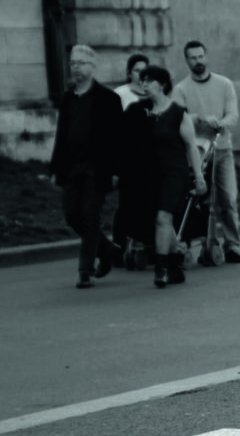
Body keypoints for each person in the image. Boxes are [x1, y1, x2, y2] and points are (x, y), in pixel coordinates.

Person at [48, 44, 123, 289]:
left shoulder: (108, 99)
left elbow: (117, 139)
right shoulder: (68, 99)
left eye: (81, 63)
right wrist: (54, 169)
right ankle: (107, 248)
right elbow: (61, 135)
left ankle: (85, 270)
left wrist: (116, 170)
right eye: (72, 63)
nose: (75, 67)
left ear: (93, 66)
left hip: (97, 167)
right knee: (72, 215)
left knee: (90, 216)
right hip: (72, 166)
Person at [171, 40, 240, 263]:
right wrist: (200, 119)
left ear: (206, 57)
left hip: (222, 150)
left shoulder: (224, 84)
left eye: (200, 56)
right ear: (187, 61)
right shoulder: (181, 89)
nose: (198, 61)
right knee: (196, 201)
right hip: (196, 154)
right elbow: (177, 118)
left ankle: (232, 245)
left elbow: (232, 116)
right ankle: (198, 241)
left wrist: (220, 124)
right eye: (193, 58)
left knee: (228, 199)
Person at [139, 66, 207, 287]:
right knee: (164, 221)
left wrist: (198, 176)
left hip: (175, 174)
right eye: (142, 81)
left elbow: (191, 147)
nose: (144, 84)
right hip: (152, 175)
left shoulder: (178, 113)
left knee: (163, 217)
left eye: (149, 80)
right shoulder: (142, 112)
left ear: (162, 84)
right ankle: (175, 266)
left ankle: (161, 269)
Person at [112, 53, 151, 260]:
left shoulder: (154, 94)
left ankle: (145, 245)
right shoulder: (121, 94)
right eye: (137, 70)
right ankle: (119, 247)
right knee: (126, 205)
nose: (141, 74)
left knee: (147, 204)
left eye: (145, 70)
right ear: (129, 73)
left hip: (150, 158)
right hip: (127, 157)